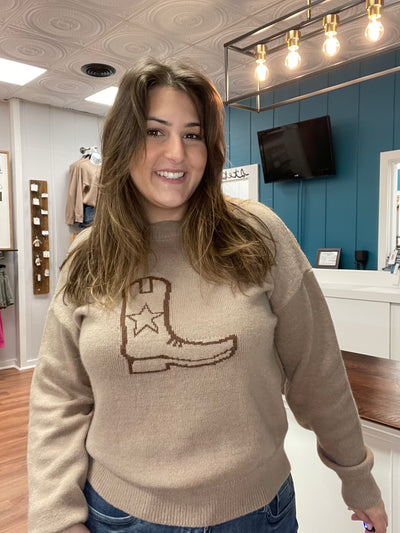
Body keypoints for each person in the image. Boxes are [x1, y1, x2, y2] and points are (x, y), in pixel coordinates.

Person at [27, 59, 388, 533]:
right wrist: (55, 517)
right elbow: (59, 396)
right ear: (124, 141)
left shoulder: (259, 234)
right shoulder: (89, 255)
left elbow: (316, 370)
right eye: (155, 132)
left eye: (192, 134)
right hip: (123, 517)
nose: (176, 152)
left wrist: (357, 477)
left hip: (258, 513)